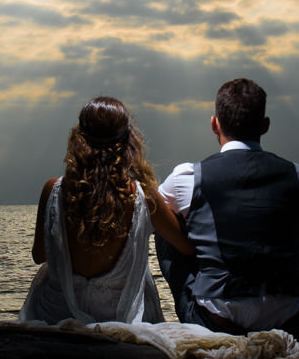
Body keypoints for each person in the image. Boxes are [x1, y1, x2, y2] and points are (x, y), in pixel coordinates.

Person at [156, 78, 299, 340]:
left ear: (214, 124)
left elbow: (150, 212)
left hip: (214, 323)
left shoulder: (189, 177)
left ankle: (216, 311)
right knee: (295, 227)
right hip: (292, 323)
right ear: (265, 125)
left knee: (165, 224)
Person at [20, 96, 193, 325]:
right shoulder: (143, 196)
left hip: (56, 314)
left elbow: (39, 255)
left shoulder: (53, 190)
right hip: (121, 317)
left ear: (79, 138)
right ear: (128, 141)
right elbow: (186, 247)